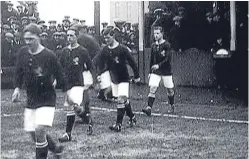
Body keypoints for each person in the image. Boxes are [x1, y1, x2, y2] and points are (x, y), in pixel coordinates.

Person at [11, 23, 65, 159]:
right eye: (26, 39)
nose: (28, 42)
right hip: (32, 98)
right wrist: (17, 88)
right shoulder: (23, 52)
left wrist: (66, 90)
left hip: (47, 97)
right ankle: (54, 148)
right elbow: (18, 72)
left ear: (39, 37)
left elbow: (60, 74)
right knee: (32, 131)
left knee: (40, 129)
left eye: (31, 39)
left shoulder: (49, 55)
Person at [98, 28, 140, 132]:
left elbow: (132, 63)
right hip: (114, 79)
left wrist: (137, 76)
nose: (106, 40)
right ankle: (132, 117)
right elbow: (101, 62)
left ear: (113, 36)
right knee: (123, 101)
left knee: (121, 100)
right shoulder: (105, 49)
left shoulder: (122, 49)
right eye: (105, 38)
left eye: (108, 38)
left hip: (124, 78)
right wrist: (99, 73)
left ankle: (118, 124)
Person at [58, 27, 95, 142]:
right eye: (68, 35)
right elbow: (59, 66)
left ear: (76, 37)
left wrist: (95, 79)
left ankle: (68, 134)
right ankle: (88, 118)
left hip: (78, 83)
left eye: (71, 36)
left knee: (71, 106)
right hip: (67, 84)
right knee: (75, 108)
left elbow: (90, 66)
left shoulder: (82, 51)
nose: (69, 38)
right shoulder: (64, 51)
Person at [142, 26, 175, 116]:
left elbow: (168, 59)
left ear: (162, 34)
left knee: (170, 90)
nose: (155, 35)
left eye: (157, 33)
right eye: (154, 33)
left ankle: (171, 105)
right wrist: (150, 71)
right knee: (152, 88)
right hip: (156, 72)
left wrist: (159, 65)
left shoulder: (167, 45)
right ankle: (149, 108)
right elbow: (152, 60)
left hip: (166, 71)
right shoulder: (153, 45)